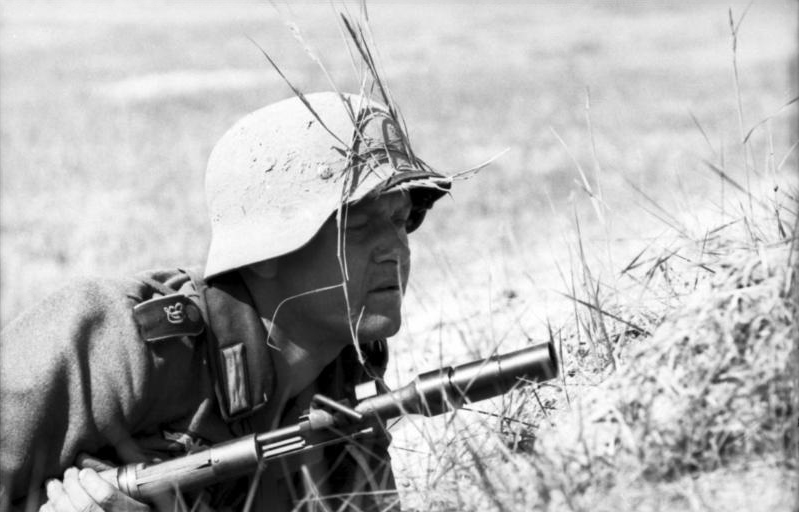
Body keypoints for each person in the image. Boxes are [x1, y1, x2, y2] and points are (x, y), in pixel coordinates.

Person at [0, 91, 451, 511]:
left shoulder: (346, 380)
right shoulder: (118, 344)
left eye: (401, 219)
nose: (396, 248)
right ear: (266, 253)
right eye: (356, 225)